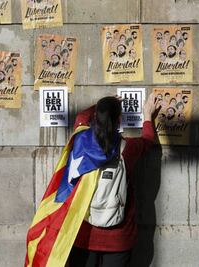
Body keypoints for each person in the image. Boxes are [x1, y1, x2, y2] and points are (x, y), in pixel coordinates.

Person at [68, 93, 159, 267]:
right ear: (119, 120)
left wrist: (101, 105)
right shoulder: (128, 148)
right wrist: (148, 114)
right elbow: (147, 140)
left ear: (96, 118)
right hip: (118, 238)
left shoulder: (81, 141)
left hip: (84, 235)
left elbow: (81, 117)